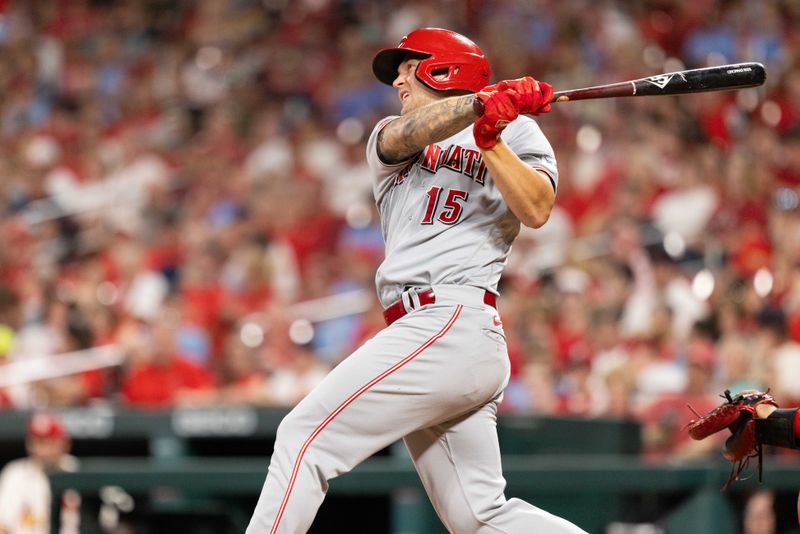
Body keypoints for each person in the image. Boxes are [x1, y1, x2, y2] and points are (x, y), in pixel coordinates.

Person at [246, 27, 587, 533]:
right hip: (430, 331)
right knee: (479, 518)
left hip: (453, 317)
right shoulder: (393, 132)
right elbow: (406, 136)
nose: (399, 81)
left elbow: (537, 209)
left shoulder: (518, 133)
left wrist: (491, 137)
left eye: (408, 67)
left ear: (442, 68)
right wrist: (479, 109)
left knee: (303, 438)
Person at [0, 413, 79, 534]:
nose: (43, 450)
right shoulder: (15, 473)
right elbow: (2, 525)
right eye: (38, 442)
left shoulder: (77, 471)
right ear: (29, 444)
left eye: (50, 442)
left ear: (65, 443)